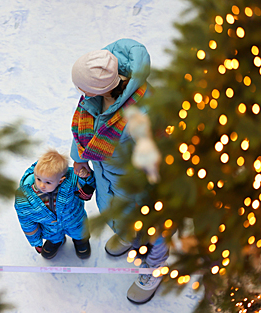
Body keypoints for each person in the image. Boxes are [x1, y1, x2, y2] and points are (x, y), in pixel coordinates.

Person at [70, 38, 169, 304]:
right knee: (116, 210)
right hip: (108, 177)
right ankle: (128, 235)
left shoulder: (139, 115)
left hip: (138, 185)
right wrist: (79, 158)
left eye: (81, 87)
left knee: (154, 227)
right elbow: (84, 130)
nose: (78, 91)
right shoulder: (92, 99)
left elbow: (158, 157)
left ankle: (155, 266)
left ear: (99, 88)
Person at [14, 148, 95, 259]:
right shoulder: (24, 200)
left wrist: (85, 176)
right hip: (50, 228)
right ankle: (56, 241)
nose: (42, 185)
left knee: (80, 231)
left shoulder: (70, 181)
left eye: (48, 182)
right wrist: (36, 242)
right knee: (53, 236)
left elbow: (89, 182)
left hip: (75, 220)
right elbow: (27, 223)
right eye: (38, 179)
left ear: (60, 180)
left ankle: (81, 241)